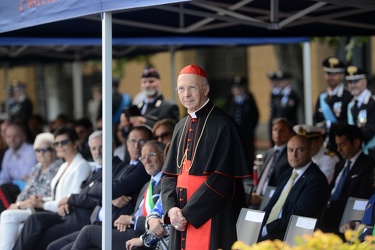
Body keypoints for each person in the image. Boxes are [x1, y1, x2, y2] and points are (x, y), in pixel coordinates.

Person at [161, 64, 251, 250]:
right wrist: (171, 208)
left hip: (211, 215)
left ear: (206, 89)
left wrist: (188, 213)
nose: (186, 94)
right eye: (181, 88)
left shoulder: (224, 125)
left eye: (192, 87)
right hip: (180, 217)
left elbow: (224, 180)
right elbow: (169, 175)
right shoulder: (179, 127)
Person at [41, 126, 153, 250]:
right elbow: (104, 189)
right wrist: (108, 197)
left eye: (142, 141)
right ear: (126, 143)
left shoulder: (143, 169)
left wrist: (102, 190)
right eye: (132, 141)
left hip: (114, 227)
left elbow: (112, 188)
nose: (136, 146)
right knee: (53, 246)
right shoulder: (125, 166)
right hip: (97, 223)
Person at [0, 125, 91, 250]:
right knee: (16, 224)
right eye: (57, 143)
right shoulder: (65, 166)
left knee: (18, 218)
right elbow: (57, 197)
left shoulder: (80, 166)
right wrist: (41, 201)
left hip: (64, 215)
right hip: (51, 208)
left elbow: (71, 200)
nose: (59, 146)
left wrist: (41, 204)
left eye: (63, 142)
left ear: (75, 143)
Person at [68, 140, 165, 250]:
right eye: (143, 157)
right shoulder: (147, 185)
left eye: (152, 155)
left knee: (88, 232)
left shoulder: (168, 183)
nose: (147, 161)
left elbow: (163, 221)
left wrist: (131, 220)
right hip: (131, 231)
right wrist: (125, 222)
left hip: (149, 238)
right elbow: (135, 214)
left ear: (164, 156)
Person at [258, 135, 330, 241]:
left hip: (291, 234)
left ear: (310, 151)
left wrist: (266, 229)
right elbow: (271, 205)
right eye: (290, 150)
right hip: (273, 228)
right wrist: (257, 223)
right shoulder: (286, 174)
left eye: (300, 150)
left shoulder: (316, 179)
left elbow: (297, 214)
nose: (294, 155)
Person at [319, 125, 375, 231]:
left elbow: (362, 197)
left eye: (343, 144)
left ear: (356, 143)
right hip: (327, 216)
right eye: (337, 145)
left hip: (347, 220)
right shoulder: (339, 164)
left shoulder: (369, 165)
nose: (338, 149)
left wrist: (331, 205)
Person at [250, 117, 294, 209]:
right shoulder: (269, 152)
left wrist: (263, 198)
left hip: (272, 203)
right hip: (256, 200)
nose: (277, 133)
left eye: (281, 130)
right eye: (275, 129)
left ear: (290, 134)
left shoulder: (290, 155)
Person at [314, 56, 352, 153]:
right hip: (324, 146)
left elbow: (350, 123)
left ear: (342, 75)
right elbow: (315, 120)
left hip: (342, 146)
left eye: (335, 74)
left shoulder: (348, 96)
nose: (331, 77)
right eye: (328, 73)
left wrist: (330, 125)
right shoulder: (322, 97)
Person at [0, 121, 37, 208]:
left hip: (27, 189)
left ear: (23, 137)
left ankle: (9, 212)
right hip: (12, 189)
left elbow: (26, 176)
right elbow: (4, 177)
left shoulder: (31, 151)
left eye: (15, 136)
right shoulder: (8, 153)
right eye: (9, 137)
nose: (12, 139)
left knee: (4, 189)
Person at [224, 76, 259, 163]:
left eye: (239, 87)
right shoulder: (230, 100)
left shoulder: (249, 99)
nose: (237, 90)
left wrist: (250, 127)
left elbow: (255, 115)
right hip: (233, 131)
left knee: (248, 150)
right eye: (235, 88)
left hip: (246, 131)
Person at [346, 65, 375, 160]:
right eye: (350, 82)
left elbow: (371, 130)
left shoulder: (373, 102)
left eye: (356, 81)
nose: (352, 85)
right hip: (358, 153)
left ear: (365, 81)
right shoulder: (351, 105)